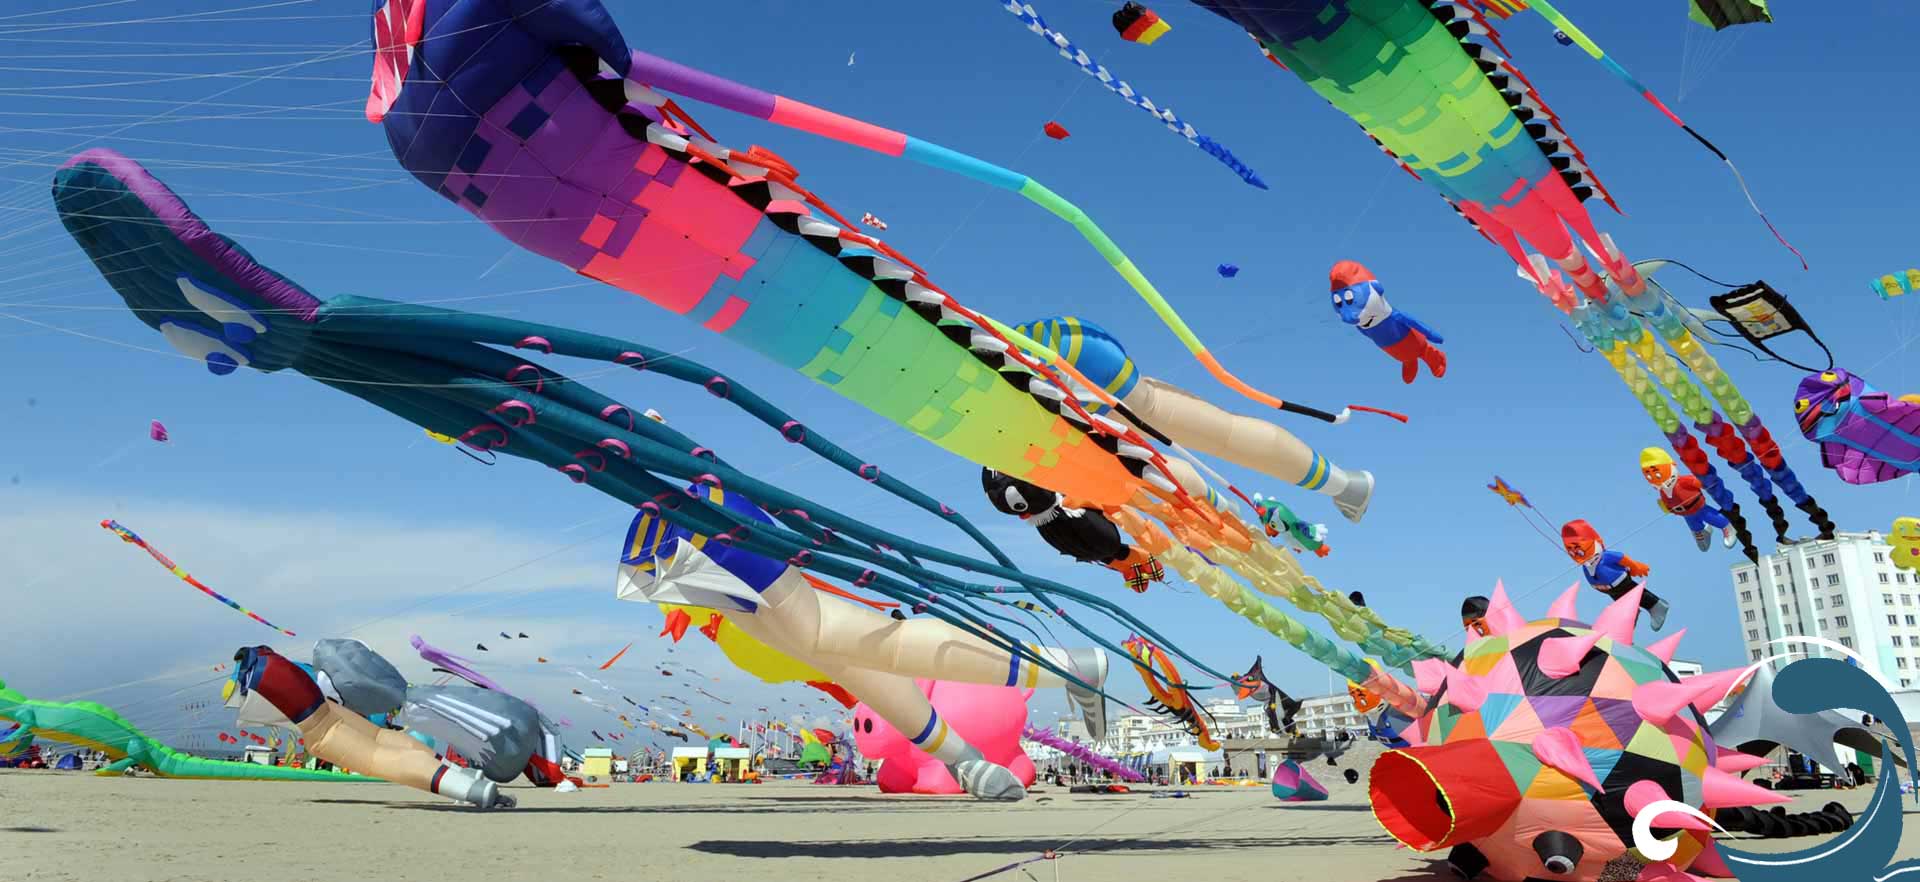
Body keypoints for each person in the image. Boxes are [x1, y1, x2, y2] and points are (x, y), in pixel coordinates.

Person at [1561, 519, 1671, 631]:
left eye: (1578, 549)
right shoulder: (1586, 565)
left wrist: (1636, 567)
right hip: (1608, 589)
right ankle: (1630, 615)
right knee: (1623, 601)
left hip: (1621, 582)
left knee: (1636, 593)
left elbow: (1622, 558)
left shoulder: (1606, 556)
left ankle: (1656, 605)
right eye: (1569, 550)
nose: (1575, 553)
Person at [1640, 448, 1735, 551]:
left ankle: (1726, 526)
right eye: (1648, 474)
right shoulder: (1662, 491)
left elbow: (1699, 482)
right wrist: (1667, 507)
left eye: (1656, 471)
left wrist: (1708, 482)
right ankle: (1703, 533)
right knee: (1694, 526)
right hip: (1685, 514)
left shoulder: (1684, 481)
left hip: (1699, 508)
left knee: (1712, 517)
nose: (1653, 476)